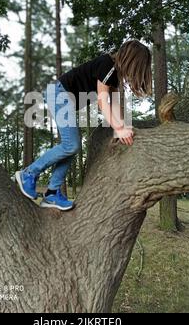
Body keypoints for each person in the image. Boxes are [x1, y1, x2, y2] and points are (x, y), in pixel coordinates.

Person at [16, 40, 152, 211]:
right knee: (71, 144)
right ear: (132, 61)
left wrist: (121, 127)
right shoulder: (108, 64)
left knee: (71, 146)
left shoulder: (114, 75)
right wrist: (118, 128)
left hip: (65, 100)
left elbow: (114, 103)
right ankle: (28, 174)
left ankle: (52, 192)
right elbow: (103, 101)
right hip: (59, 93)